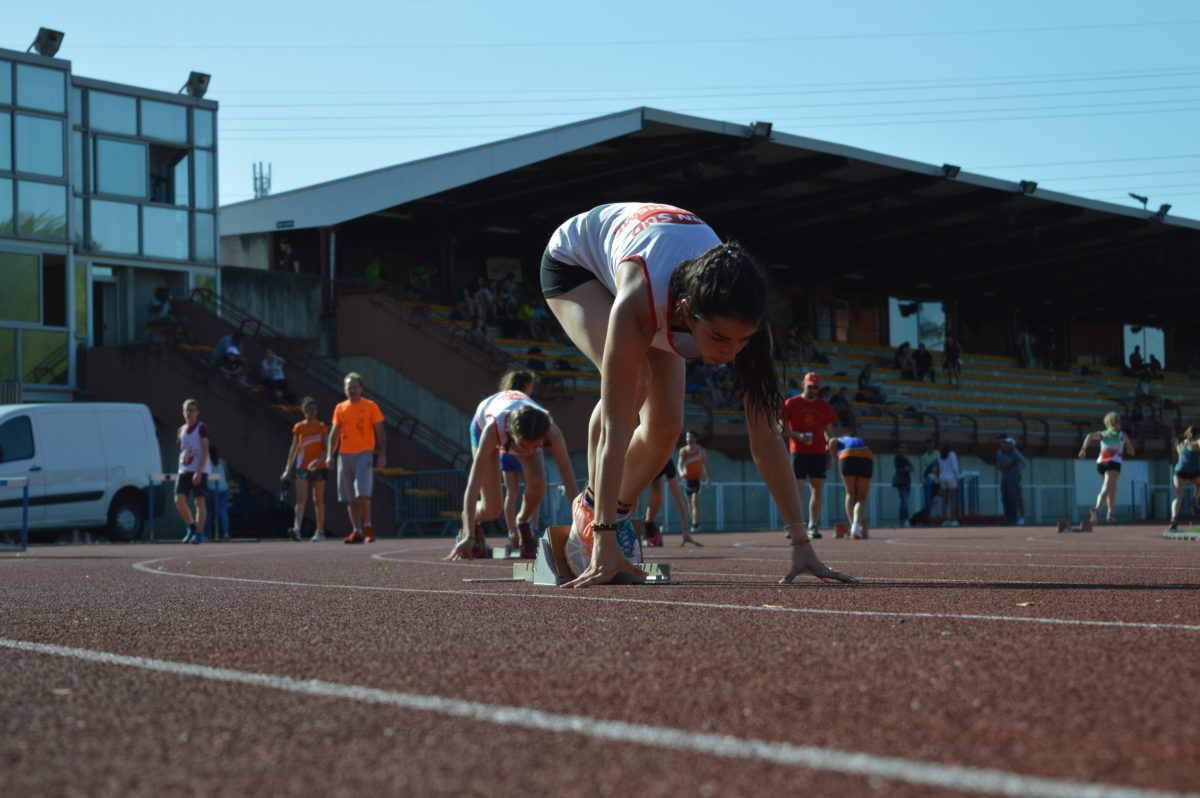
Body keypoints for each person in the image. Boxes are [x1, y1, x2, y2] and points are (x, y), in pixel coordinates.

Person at [541, 202, 854, 587]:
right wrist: (603, 536)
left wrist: (802, 542)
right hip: (577, 265)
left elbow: (767, 439)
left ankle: (617, 508)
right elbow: (614, 428)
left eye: (742, 340)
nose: (728, 354)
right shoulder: (641, 301)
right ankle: (592, 514)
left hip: (658, 264)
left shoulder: (748, 322)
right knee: (633, 381)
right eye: (719, 338)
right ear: (687, 312)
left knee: (666, 427)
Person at [445, 381, 578, 560]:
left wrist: (581, 530)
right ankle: (471, 519)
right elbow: (473, 484)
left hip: (523, 428)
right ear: (512, 436)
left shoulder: (551, 431)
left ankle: (522, 522)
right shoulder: (493, 431)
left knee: (539, 485)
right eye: (524, 446)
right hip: (482, 422)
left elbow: (570, 485)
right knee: (492, 509)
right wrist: (468, 534)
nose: (530, 451)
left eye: (537, 446)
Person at [326, 372, 387, 543]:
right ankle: (356, 530)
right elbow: (334, 432)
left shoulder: (370, 406)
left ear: (361, 389)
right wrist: (330, 455)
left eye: (355, 387)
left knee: (362, 491)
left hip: (364, 452)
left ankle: (368, 526)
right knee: (349, 495)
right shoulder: (340, 408)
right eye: (349, 387)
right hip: (344, 454)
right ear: (345, 389)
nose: (352, 390)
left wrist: (382, 453)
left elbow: (380, 430)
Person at [783, 371, 837, 538]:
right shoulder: (791, 403)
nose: (813, 389)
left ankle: (813, 525)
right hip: (798, 451)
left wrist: (829, 454)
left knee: (817, 488)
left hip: (818, 452)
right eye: (810, 386)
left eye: (816, 387)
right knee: (797, 487)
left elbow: (829, 433)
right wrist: (799, 435)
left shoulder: (824, 406)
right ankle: (796, 525)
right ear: (803, 385)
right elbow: (781, 428)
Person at [281, 397, 330, 542]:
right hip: (302, 466)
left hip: (319, 467)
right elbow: (294, 448)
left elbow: (328, 449)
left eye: (314, 410)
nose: (312, 412)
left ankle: (320, 531)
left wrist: (318, 461)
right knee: (301, 498)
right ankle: (297, 529)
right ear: (304, 411)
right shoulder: (299, 427)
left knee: (318, 500)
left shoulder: (321, 427)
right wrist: (287, 469)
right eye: (309, 410)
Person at [1078, 412, 1135, 524]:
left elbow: (1089, 435)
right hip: (1113, 463)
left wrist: (1083, 449)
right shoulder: (1121, 434)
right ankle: (1097, 510)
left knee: (1112, 487)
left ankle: (1110, 513)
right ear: (1118, 422)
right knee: (1107, 487)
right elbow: (1132, 451)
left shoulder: (1103, 433)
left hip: (1101, 464)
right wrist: (1128, 450)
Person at [175, 399, 211, 544]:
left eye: (192, 410)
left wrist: (199, 471)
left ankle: (199, 533)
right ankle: (191, 525)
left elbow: (204, 450)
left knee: (199, 502)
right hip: (184, 469)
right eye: (187, 410)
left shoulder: (202, 428)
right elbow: (183, 449)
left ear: (197, 412)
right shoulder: (181, 430)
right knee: (179, 500)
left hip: (198, 469)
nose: (189, 413)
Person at [642, 455, 698, 547]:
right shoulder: (643, 457)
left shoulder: (667, 463)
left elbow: (678, 498)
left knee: (659, 494)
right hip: (638, 465)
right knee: (633, 501)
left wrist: (685, 531)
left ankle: (649, 526)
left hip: (654, 470)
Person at [828, 435, 873, 539]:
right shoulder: (859, 440)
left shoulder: (841, 439)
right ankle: (857, 526)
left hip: (847, 455)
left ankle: (853, 526)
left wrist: (834, 456)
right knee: (862, 497)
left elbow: (832, 441)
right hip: (866, 455)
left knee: (850, 494)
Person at [677, 431, 711, 535]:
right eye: (687, 437)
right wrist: (681, 472)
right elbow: (679, 465)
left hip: (697, 480)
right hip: (687, 481)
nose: (688, 439)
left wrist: (708, 478)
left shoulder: (701, 451)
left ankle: (695, 523)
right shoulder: (683, 451)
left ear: (695, 438)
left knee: (694, 501)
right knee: (689, 504)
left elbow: (705, 465)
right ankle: (693, 523)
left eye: (691, 437)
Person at [1169, 426, 1200, 531]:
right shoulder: (1196, 443)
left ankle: (1174, 519)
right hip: (1192, 471)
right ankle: (1195, 500)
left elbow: (1182, 456)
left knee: (1178, 497)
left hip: (1179, 471)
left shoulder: (1181, 444)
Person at [996, 437, 1027, 526]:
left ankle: (1016, 518)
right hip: (1005, 477)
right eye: (1005, 443)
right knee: (1005, 497)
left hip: (1014, 478)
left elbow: (1024, 463)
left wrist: (1016, 470)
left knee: (1014, 497)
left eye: (1008, 444)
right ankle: (1007, 517)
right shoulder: (1000, 452)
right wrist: (1003, 466)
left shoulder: (1015, 452)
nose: (1006, 445)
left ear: (1012, 445)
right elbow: (1000, 465)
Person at [207, 445, 231, 540]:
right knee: (223, 511)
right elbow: (227, 474)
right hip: (224, 488)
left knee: (209, 513)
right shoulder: (222, 462)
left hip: (212, 489)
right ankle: (226, 533)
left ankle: (207, 534)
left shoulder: (206, 463)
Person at [937, 441, 961, 526]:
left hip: (942, 478)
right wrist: (958, 477)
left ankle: (944, 520)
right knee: (953, 500)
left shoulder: (939, 455)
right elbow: (955, 467)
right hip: (951, 478)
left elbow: (939, 467)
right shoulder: (952, 454)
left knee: (944, 500)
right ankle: (954, 520)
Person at [892, 443, 914, 527]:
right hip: (900, 482)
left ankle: (903, 519)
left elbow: (912, 469)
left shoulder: (906, 459)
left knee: (904, 501)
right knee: (904, 501)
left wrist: (907, 468)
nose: (903, 450)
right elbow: (902, 468)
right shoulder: (898, 457)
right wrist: (906, 468)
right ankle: (904, 519)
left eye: (905, 448)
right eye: (902, 448)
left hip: (907, 482)